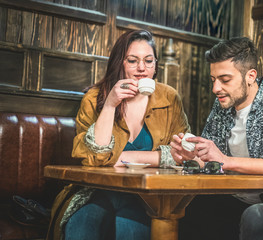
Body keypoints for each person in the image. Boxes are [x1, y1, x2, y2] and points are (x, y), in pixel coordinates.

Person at [170, 37, 263, 240]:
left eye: (225, 80)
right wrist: (188, 157)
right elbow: (212, 162)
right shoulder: (221, 108)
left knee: (257, 216)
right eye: (213, 80)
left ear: (250, 76)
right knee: (187, 205)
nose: (216, 88)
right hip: (236, 201)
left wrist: (227, 160)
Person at [46, 29, 190, 240]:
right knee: (81, 227)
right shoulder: (95, 98)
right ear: (119, 62)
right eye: (133, 61)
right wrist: (110, 104)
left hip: (147, 197)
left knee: (131, 229)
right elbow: (95, 159)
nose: (142, 68)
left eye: (149, 61)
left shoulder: (169, 97)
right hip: (95, 192)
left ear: (156, 65)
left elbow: (183, 154)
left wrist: (125, 158)